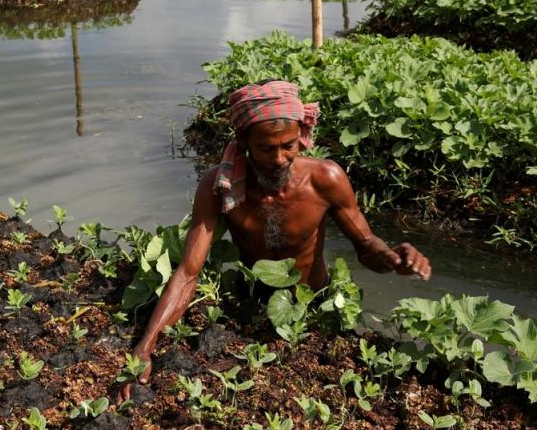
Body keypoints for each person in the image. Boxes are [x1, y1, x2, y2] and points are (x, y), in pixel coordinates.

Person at [118, 79, 431, 400]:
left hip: (313, 307)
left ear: (301, 138)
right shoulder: (219, 187)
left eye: (289, 146)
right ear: (244, 142)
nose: (280, 158)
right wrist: (145, 347)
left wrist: (392, 259)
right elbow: (188, 272)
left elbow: (366, 247)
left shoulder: (326, 179)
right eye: (267, 148)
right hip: (253, 303)